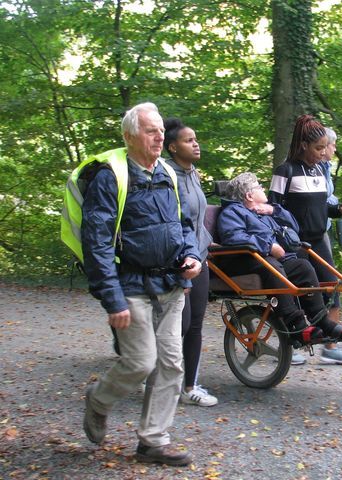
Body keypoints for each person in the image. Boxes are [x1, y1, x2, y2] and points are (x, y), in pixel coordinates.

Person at [81, 102, 201, 466]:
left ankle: (153, 440)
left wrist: (192, 254)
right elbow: (97, 242)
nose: (160, 136)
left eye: (161, 130)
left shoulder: (166, 170)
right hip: (130, 285)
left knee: (171, 364)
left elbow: (181, 224)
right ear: (131, 135)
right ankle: (98, 401)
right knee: (140, 362)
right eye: (151, 131)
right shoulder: (111, 176)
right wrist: (111, 298)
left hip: (171, 282)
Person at [215, 172, 342, 346]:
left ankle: (321, 321)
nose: (263, 188)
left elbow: (294, 227)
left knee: (303, 267)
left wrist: (274, 210)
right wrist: (268, 246)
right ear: (249, 195)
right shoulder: (232, 212)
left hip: (272, 260)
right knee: (271, 267)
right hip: (245, 261)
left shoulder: (263, 213)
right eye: (258, 186)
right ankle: (297, 327)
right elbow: (233, 237)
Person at [268, 115, 342, 366]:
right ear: (304, 145)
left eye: (324, 148)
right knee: (297, 291)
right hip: (295, 243)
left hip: (319, 240)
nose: (322, 153)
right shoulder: (285, 171)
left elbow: (321, 208)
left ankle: (328, 343)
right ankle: (292, 343)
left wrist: (340, 209)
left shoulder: (318, 170)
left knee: (331, 286)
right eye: (318, 148)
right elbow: (272, 208)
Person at [163, 118, 218, 408]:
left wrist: (206, 244)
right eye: (188, 140)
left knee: (195, 323)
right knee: (178, 326)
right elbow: (172, 224)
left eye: (195, 139)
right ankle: (161, 381)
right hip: (178, 262)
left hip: (201, 257)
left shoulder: (193, 173)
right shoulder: (165, 177)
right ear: (172, 147)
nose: (196, 144)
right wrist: (182, 265)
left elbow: (196, 219)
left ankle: (189, 386)